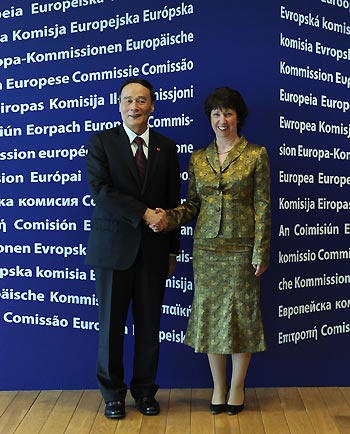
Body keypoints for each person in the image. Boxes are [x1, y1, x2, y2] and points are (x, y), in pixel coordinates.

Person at [152, 86, 270, 415]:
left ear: (238, 117)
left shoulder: (256, 154)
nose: (222, 119)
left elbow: (262, 207)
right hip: (206, 251)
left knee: (240, 317)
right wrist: (167, 218)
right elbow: (193, 205)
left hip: (242, 249)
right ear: (210, 118)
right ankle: (218, 388)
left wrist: (261, 251)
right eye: (216, 113)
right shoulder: (198, 158)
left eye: (228, 113)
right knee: (211, 317)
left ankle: (237, 387)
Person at [85, 78, 180, 419]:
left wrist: (173, 252)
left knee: (149, 326)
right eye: (128, 100)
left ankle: (144, 392)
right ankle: (113, 395)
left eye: (141, 101)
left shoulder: (166, 148)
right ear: (119, 105)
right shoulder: (101, 142)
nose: (134, 107)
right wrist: (143, 212)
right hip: (113, 250)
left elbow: (172, 202)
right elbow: (101, 191)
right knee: (110, 327)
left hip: (154, 252)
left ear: (152, 106)